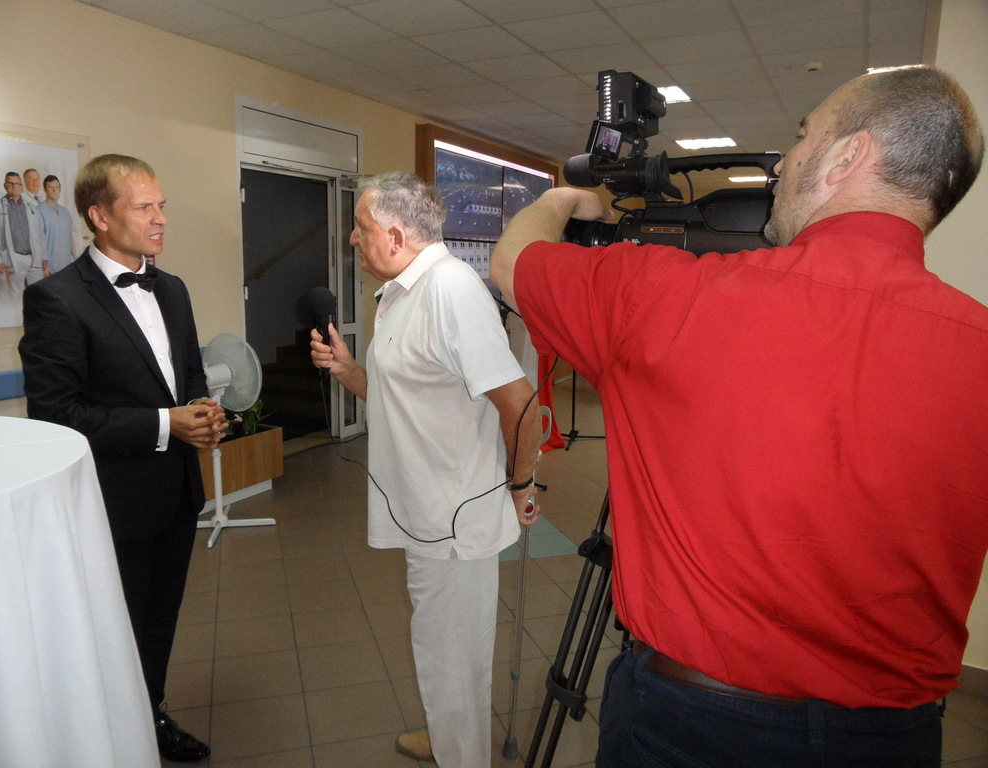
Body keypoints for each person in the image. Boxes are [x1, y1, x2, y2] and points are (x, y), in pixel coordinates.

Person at [490, 66, 986, 768]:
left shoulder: (667, 297)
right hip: (895, 741)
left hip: (687, 729)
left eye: (804, 136)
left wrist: (561, 199)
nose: (782, 163)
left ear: (850, 156)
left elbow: (515, 263)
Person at [310, 171, 542, 768]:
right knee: (437, 646)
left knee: (456, 657)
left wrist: (520, 487)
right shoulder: (400, 293)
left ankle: (462, 755)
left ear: (394, 235)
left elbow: (521, 404)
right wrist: (347, 370)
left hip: (454, 519)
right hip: (422, 509)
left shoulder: (450, 289)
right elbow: (402, 397)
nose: (353, 240)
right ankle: (446, 739)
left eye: (360, 228)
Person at [19, 154, 223, 763]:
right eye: (143, 207)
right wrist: (166, 424)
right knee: (113, 629)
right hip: (112, 503)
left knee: (159, 622)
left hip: (177, 494)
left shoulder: (174, 289)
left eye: (162, 205)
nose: (160, 219)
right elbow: (56, 415)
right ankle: (105, 739)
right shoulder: (56, 299)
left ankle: (148, 716)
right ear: (99, 217)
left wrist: (202, 413)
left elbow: (187, 377)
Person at [0, 170, 48, 290]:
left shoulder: (31, 207)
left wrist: (44, 257)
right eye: (10, 183)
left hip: (33, 257)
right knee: (17, 294)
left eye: (17, 183)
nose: (14, 186)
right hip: (14, 258)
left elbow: (40, 234)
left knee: (38, 292)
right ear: (5, 185)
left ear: (21, 186)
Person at [38, 174, 78, 273]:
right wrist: (44, 267)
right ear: (45, 189)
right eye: (50, 187)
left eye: (56, 187)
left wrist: (76, 258)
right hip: (49, 266)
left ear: (60, 189)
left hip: (67, 264)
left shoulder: (65, 212)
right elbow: (38, 241)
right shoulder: (39, 210)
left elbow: (70, 236)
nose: (54, 190)